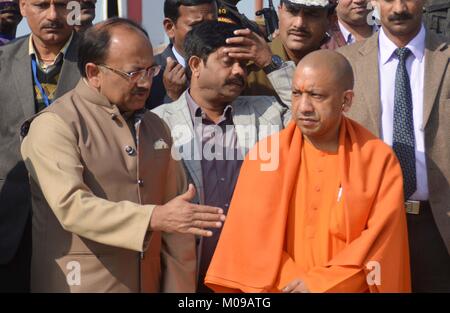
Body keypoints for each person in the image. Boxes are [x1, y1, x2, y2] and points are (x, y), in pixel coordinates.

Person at [20, 17, 225, 293]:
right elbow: (72, 207)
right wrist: (152, 218)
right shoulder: (55, 125)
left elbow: (178, 229)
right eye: (133, 73)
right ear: (94, 73)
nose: (145, 83)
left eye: (150, 71)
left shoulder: (156, 127)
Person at [205, 50, 411, 293]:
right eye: (296, 94)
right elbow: (249, 237)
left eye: (316, 95)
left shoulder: (377, 159)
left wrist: (318, 284)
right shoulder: (266, 156)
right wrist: (293, 283)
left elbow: (379, 242)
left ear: (346, 101)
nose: (303, 107)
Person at [152, 20, 294, 292]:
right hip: (186, 278)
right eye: (228, 62)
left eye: (244, 64)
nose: (239, 71)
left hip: (255, 278)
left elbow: (317, 112)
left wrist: (269, 62)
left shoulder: (267, 113)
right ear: (195, 65)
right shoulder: (158, 123)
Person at [338, 0, 450, 292]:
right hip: (368, 227)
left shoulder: (447, 56)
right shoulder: (344, 63)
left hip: (439, 226)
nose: (398, 7)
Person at [0, 0, 80, 292]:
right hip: (9, 227)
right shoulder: (2, 61)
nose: (52, 15)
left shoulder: (98, 61)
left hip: (78, 226)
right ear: (22, 7)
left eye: (62, 5)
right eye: (40, 5)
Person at [241, 0, 337, 97]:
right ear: (280, 11)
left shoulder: (339, 69)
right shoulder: (246, 67)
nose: (299, 24)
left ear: (330, 19)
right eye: (292, 11)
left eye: (311, 14)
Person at [147, 0, 217, 109]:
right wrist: (174, 98)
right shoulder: (149, 76)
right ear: (170, 27)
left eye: (213, 24)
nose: (208, 33)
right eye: (197, 25)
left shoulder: (231, 69)